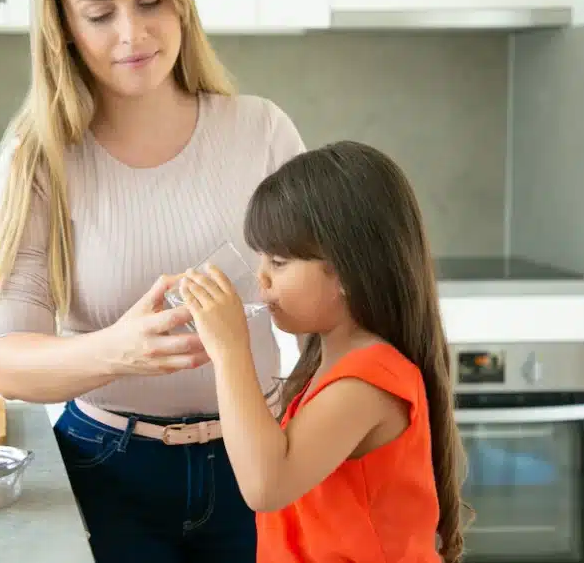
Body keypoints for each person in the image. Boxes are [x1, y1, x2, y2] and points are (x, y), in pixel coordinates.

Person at [0, 0, 306, 563]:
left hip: (261, 463)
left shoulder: (261, 132)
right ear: (63, 27)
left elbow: (330, 304)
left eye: (151, 0)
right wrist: (118, 350)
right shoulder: (40, 160)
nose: (133, 33)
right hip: (106, 472)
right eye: (100, 14)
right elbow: (8, 361)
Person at [178, 140, 472, 563]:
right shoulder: (331, 360)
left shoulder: (368, 379)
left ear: (348, 273)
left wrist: (229, 349)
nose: (261, 278)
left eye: (278, 262)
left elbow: (266, 485)